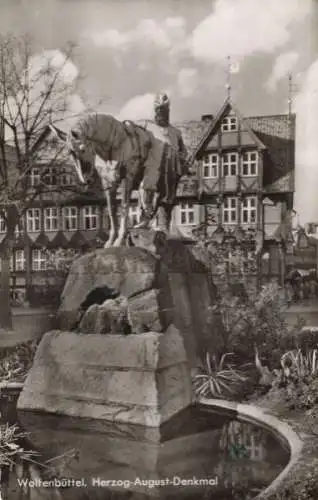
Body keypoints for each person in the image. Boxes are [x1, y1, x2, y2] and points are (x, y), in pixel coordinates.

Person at [138, 92, 189, 231]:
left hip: (170, 173)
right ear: (155, 111)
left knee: (165, 202)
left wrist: (183, 160)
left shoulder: (176, 132)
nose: (161, 113)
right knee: (147, 195)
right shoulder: (146, 126)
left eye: (164, 110)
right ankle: (145, 221)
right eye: (158, 110)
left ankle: (163, 227)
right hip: (152, 170)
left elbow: (183, 152)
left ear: (168, 111)